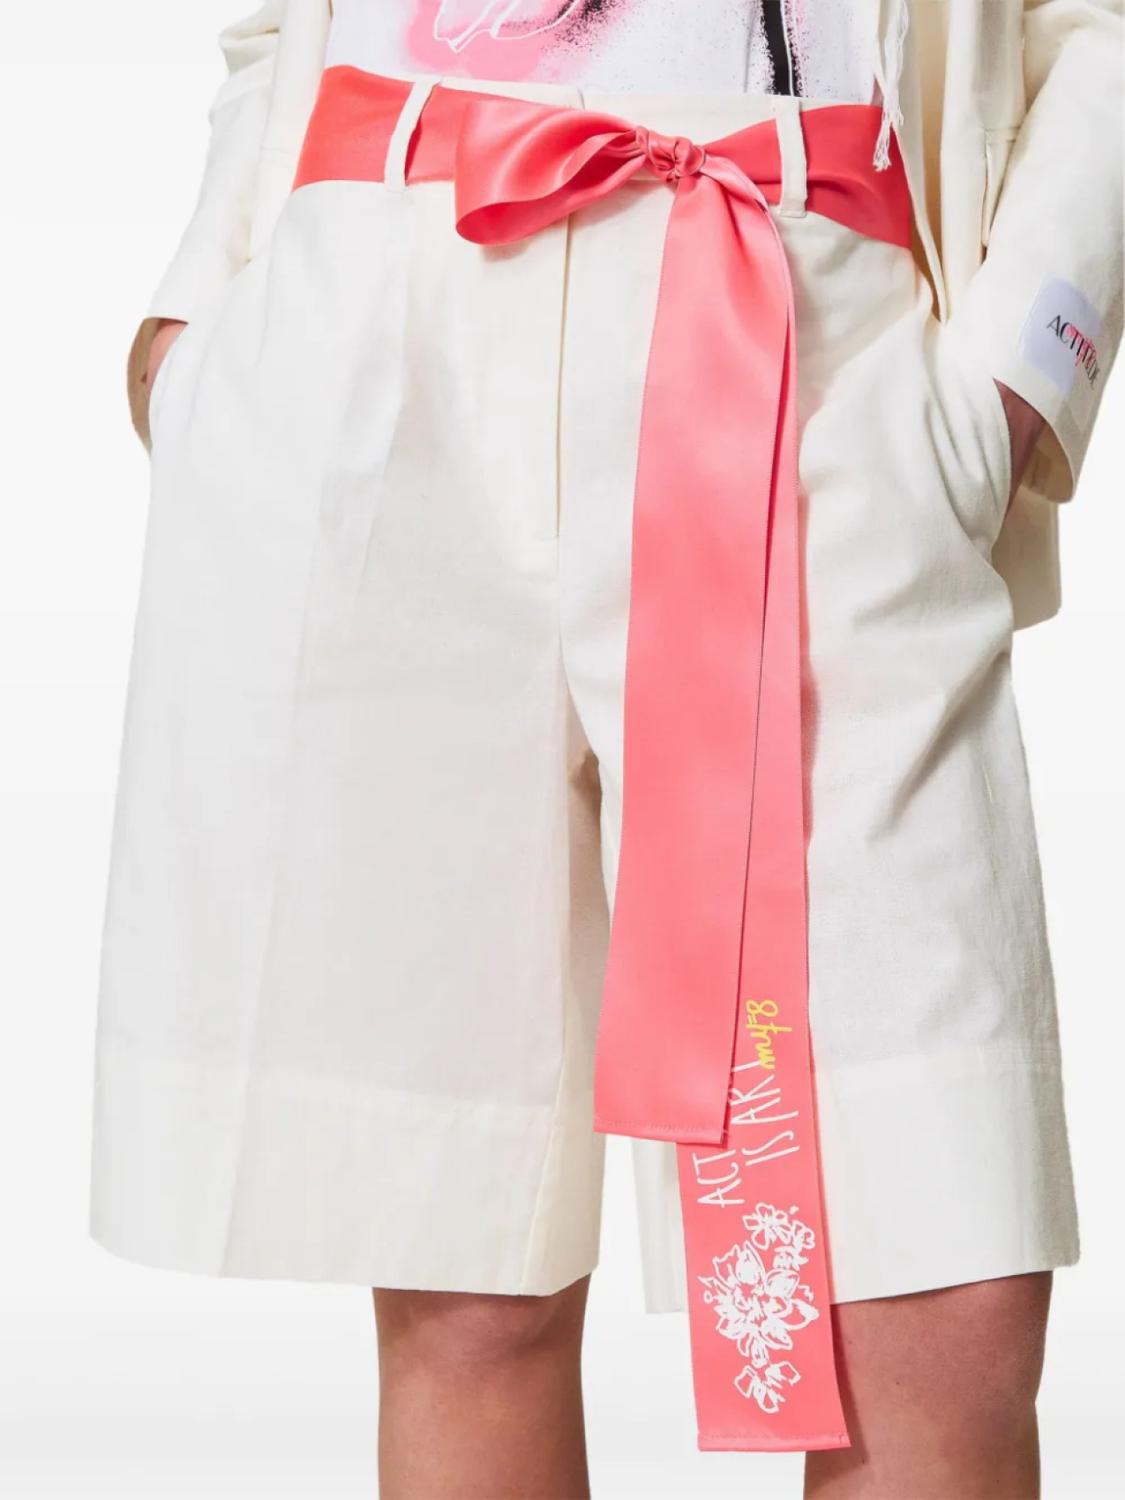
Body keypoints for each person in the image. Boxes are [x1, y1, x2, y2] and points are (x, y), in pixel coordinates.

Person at [91, 2, 1122, 1495]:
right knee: (473, 1286)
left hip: (808, 316)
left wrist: (1027, 367)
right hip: (393, 318)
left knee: (930, 1292)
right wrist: (206, 294)